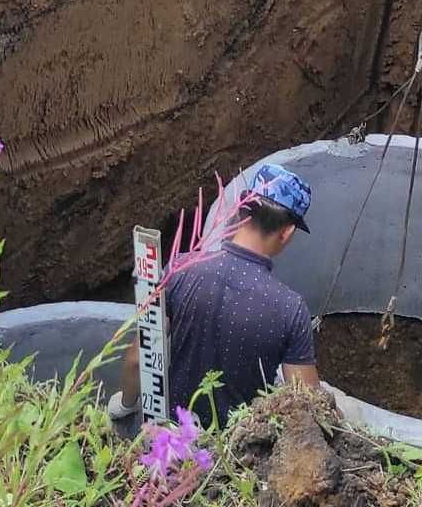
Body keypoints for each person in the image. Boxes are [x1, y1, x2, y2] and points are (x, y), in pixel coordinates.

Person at [109, 163, 320, 427]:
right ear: (287, 231)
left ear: (241, 208)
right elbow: (308, 403)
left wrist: (126, 404)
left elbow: (138, 359)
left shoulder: (181, 269)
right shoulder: (291, 309)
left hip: (169, 437)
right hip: (235, 454)